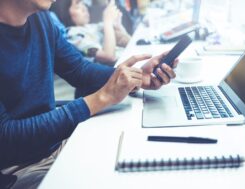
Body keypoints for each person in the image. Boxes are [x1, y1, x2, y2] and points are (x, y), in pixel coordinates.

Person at [0, 0, 177, 188]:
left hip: (56, 145)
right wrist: (100, 99)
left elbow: (79, 70)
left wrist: (138, 77)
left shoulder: (40, 20)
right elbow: (5, 137)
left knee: (143, 162)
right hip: (17, 168)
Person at [52, 0, 131, 66]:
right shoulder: (73, 35)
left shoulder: (93, 26)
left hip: (127, 58)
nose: (84, 8)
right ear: (65, 13)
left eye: (84, 4)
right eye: (78, 7)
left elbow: (125, 40)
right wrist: (108, 22)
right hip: (114, 71)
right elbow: (108, 56)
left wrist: (118, 25)